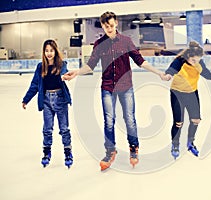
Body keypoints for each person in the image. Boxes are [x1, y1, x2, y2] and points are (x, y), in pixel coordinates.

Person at [63, 11, 170, 171]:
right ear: (103, 26)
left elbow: (140, 61)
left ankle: (134, 148)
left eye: (112, 26)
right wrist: (76, 72)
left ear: (116, 24)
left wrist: (159, 73)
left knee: (129, 119)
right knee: (109, 120)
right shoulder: (99, 45)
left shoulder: (126, 41)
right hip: (108, 87)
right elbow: (90, 66)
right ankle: (110, 150)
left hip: (126, 86)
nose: (109, 29)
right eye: (106, 26)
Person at [22, 39, 73, 168]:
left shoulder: (62, 64)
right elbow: (34, 84)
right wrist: (26, 99)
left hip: (60, 100)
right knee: (47, 129)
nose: (49, 53)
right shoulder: (41, 67)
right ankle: (46, 152)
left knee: (64, 129)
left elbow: (64, 72)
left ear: (55, 51)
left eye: (51, 50)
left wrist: (64, 76)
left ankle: (68, 152)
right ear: (44, 52)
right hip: (46, 101)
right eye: (46, 50)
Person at [165, 41, 211, 159]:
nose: (196, 63)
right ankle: (175, 144)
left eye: (198, 60)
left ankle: (190, 142)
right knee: (178, 123)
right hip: (177, 93)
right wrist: (168, 75)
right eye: (194, 60)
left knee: (196, 120)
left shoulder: (199, 63)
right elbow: (172, 69)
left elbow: (205, 73)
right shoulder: (180, 61)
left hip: (192, 93)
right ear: (188, 56)